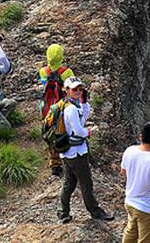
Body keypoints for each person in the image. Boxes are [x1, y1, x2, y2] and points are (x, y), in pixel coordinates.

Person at [58, 76, 113, 223]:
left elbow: (83, 117)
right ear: (67, 90)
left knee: (69, 182)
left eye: (80, 89)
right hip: (76, 153)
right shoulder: (71, 110)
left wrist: (85, 102)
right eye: (74, 89)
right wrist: (88, 132)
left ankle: (63, 212)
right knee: (86, 182)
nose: (78, 91)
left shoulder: (69, 105)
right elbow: (78, 130)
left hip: (67, 152)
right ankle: (95, 212)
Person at [120, 122, 150, 243]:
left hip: (130, 202)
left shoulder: (129, 151)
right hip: (147, 208)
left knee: (131, 231)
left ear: (140, 136)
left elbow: (123, 172)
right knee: (146, 239)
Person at [38, 43, 76, 177]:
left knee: (50, 132)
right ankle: (67, 158)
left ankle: (54, 163)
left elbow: (43, 86)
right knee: (64, 130)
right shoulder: (67, 72)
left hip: (46, 106)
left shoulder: (43, 71)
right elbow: (72, 89)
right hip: (61, 106)